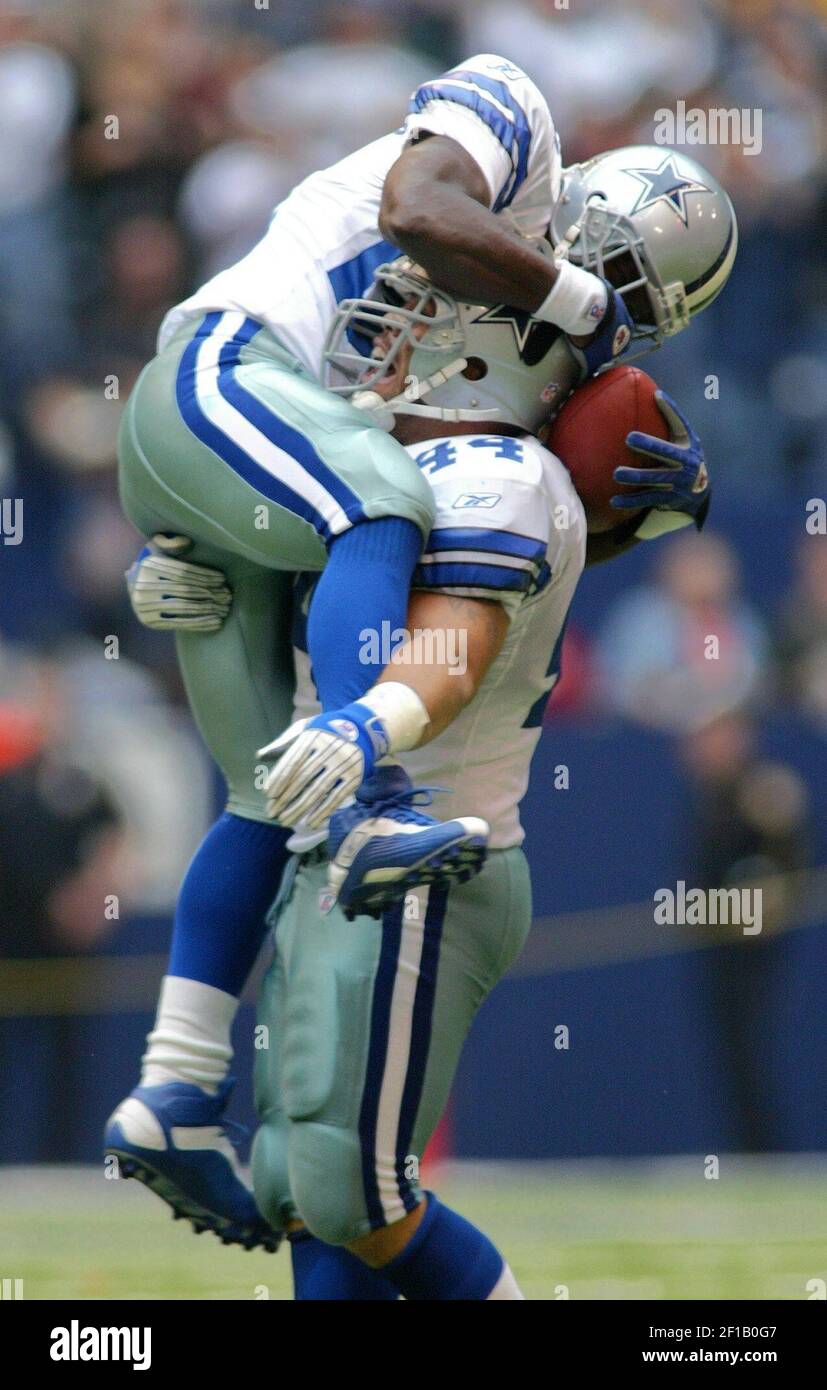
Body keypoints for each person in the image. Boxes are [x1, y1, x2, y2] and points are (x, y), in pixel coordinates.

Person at [108, 54, 736, 1248]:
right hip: (347, 813)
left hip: (428, 837)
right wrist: (203, 564)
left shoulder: (497, 468)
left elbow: (460, 610)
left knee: (346, 1191)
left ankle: (187, 1075)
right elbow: (343, 527)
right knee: (310, 1191)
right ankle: (177, 1083)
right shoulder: (385, 403)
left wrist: (365, 725)